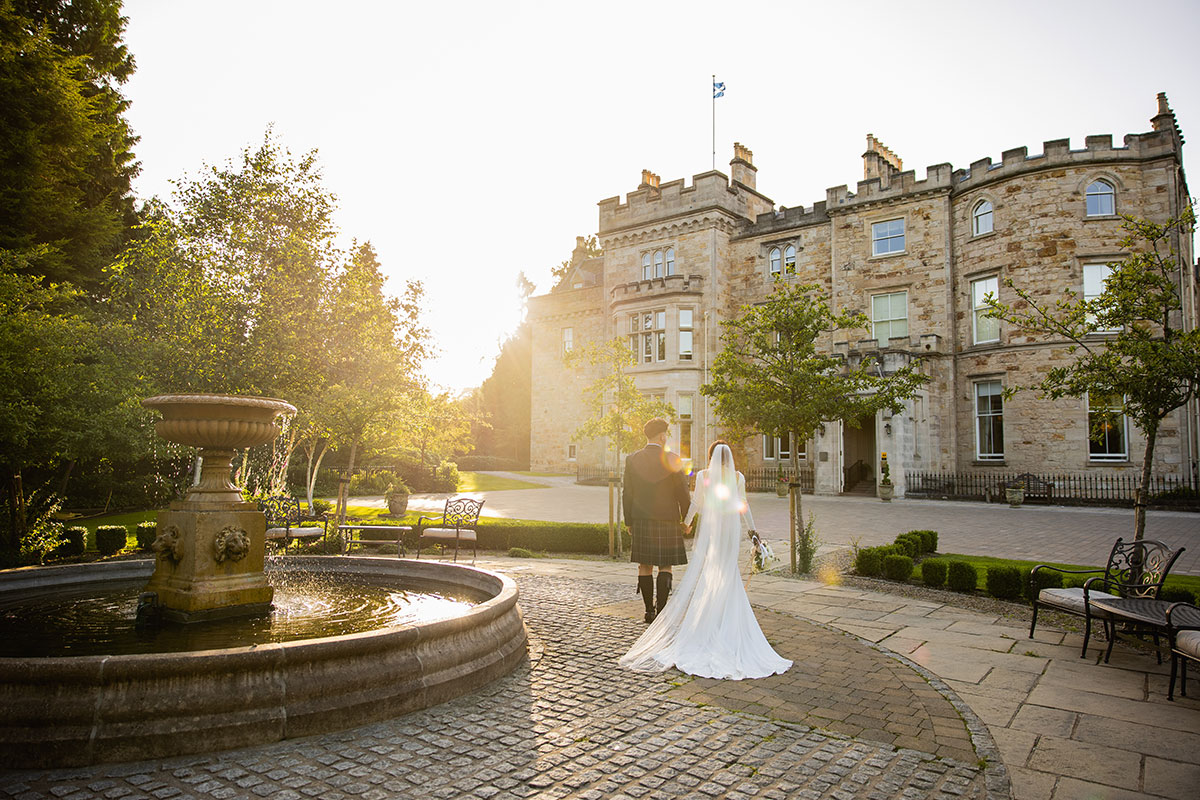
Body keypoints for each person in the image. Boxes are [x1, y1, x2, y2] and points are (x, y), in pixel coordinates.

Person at [620, 441, 792, 680]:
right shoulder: (738, 477)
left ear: (711, 456)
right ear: (729, 458)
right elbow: (743, 505)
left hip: (712, 532)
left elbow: (698, 503)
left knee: (710, 573)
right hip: (730, 532)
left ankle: (705, 620)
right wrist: (753, 531)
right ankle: (725, 619)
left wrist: (687, 523)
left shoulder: (704, 475)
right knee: (728, 572)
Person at [623, 417, 691, 623]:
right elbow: (683, 493)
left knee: (645, 565)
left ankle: (648, 611)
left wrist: (629, 521)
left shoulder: (632, 458)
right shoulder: (673, 459)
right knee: (665, 566)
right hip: (668, 520)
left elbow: (628, 493)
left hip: (642, 519)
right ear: (662, 436)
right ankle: (661, 611)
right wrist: (687, 519)